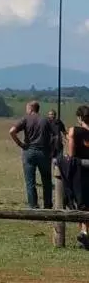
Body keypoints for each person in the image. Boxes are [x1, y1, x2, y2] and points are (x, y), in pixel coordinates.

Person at [9, 100, 54, 209]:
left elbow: (12, 131)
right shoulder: (46, 120)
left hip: (29, 151)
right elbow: (53, 136)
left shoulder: (26, 119)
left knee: (30, 182)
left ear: (31, 108)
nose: (26, 110)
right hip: (43, 152)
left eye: (27, 108)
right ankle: (48, 206)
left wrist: (20, 144)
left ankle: (33, 206)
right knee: (47, 181)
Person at [64, 105, 89, 249]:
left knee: (81, 203)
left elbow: (71, 154)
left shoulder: (74, 131)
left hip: (80, 172)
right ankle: (84, 233)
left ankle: (84, 232)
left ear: (79, 117)